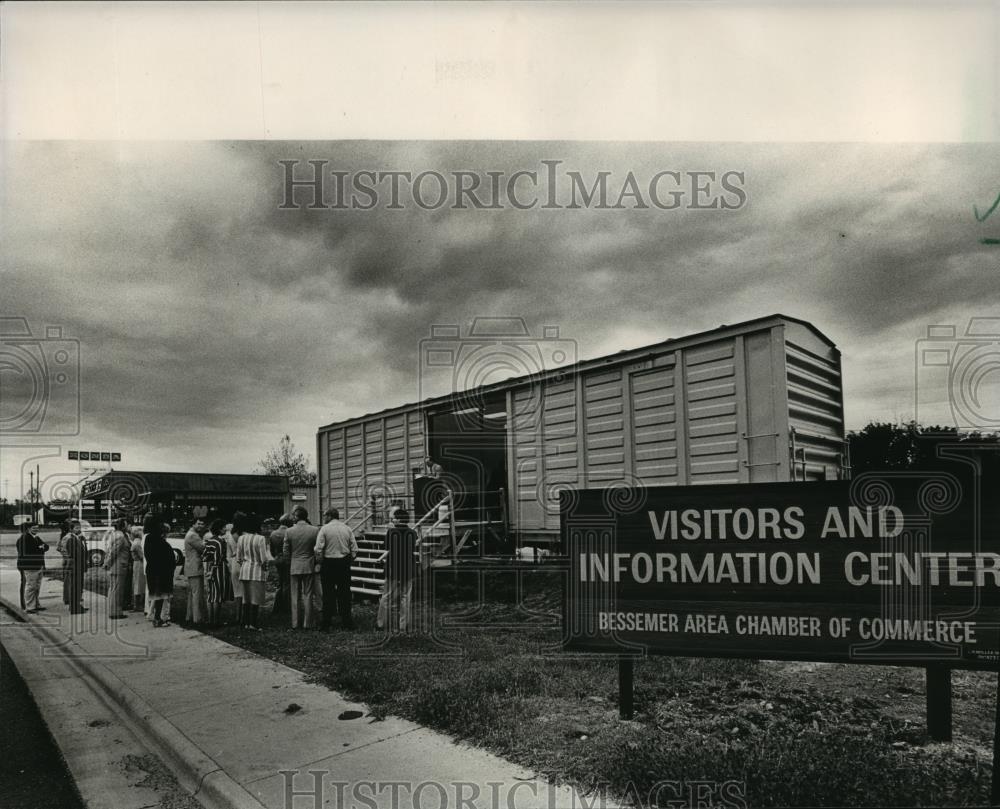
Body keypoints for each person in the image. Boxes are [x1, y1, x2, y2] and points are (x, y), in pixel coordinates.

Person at [314, 507, 358, 630]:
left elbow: (318, 548)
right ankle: (347, 621)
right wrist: (349, 560)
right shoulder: (347, 528)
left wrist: (320, 562)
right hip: (343, 563)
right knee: (345, 593)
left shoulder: (324, 529)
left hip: (329, 563)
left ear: (329, 516)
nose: (323, 518)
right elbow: (354, 549)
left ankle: (327, 622)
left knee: (328, 593)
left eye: (324, 516)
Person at [377, 509, 417, 633]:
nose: (392, 520)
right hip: (408, 567)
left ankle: (381, 623)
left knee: (386, 595)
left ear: (399, 519)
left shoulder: (391, 532)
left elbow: (388, 549)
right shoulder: (413, 533)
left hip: (393, 567)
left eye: (393, 518)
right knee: (406, 597)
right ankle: (403, 626)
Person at [234, 512, 272, 630]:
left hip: (244, 570)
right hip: (256, 570)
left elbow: (238, 557)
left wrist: (244, 563)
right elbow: (263, 558)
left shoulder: (241, 538)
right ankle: (253, 624)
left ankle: (245, 623)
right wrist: (266, 568)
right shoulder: (260, 539)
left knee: (246, 598)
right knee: (255, 598)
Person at [283, 507, 320, 630]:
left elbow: (286, 551)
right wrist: (316, 562)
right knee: (308, 594)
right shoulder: (315, 530)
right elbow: (317, 549)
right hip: (309, 565)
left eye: (294, 516)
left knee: (295, 595)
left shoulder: (289, 531)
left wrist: (289, 562)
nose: (293, 517)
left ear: (297, 517)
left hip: (295, 565)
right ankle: (308, 623)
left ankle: (295, 623)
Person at [144, 515, 175, 627]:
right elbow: (167, 558)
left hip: (152, 570)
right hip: (162, 572)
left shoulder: (149, 539)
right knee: (161, 596)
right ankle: (158, 618)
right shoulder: (160, 542)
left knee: (156, 596)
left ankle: (155, 616)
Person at [202, 518, 233, 628]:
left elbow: (205, 556)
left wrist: (207, 570)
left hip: (209, 567)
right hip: (218, 569)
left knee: (210, 595)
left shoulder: (209, 540)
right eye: (224, 527)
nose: (226, 529)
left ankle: (210, 620)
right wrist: (212, 571)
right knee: (217, 596)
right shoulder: (220, 542)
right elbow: (218, 558)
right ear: (220, 529)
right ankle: (215, 621)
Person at [16, 522, 49, 614]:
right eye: (34, 528)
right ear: (28, 529)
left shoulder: (37, 538)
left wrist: (40, 548)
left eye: (37, 528)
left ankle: (36, 604)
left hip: (38, 565)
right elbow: (29, 552)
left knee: (36, 587)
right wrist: (40, 548)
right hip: (29, 566)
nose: (36, 530)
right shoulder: (24, 539)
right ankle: (29, 607)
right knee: (30, 586)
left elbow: (47, 547)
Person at [102, 518, 131, 619]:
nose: (128, 527)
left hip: (116, 566)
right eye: (126, 525)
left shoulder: (114, 535)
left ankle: (114, 610)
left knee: (114, 589)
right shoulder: (121, 537)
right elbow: (114, 552)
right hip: (118, 566)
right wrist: (107, 563)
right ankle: (115, 612)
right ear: (122, 526)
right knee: (117, 590)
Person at [183, 517, 208, 626]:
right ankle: (198, 619)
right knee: (197, 593)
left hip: (191, 566)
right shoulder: (193, 535)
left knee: (192, 593)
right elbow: (203, 548)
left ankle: (190, 616)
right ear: (193, 524)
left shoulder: (190, 534)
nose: (201, 526)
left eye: (202, 524)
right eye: (198, 523)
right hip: (195, 567)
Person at [269, 514, 294, 616]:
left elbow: (271, 550)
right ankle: (286, 607)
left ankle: (277, 607)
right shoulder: (290, 532)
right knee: (287, 584)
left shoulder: (273, 533)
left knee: (280, 583)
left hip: (278, 559)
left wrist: (276, 556)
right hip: (288, 559)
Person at [64, 520, 88, 615]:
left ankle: (76, 605)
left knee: (78, 587)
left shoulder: (79, 538)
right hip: (75, 567)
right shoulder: (71, 540)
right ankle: (74, 607)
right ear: (71, 529)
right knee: (75, 587)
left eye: (79, 527)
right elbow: (74, 555)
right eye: (76, 528)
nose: (79, 529)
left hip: (79, 567)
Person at [129, 525, 146, 613]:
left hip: (137, 564)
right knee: (139, 584)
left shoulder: (136, 542)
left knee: (137, 584)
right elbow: (142, 556)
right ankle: (138, 605)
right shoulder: (138, 543)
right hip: (139, 564)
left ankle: (137, 604)